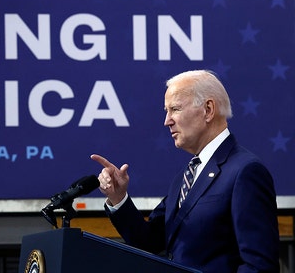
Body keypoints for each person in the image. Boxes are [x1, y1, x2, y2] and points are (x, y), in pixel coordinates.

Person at [91, 70, 279, 272]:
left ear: (208, 109)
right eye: (166, 111)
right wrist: (118, 198)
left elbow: (259, 266)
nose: (167, 121)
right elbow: (150, 241)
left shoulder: (245, 172)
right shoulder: (186, 176)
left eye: (175, 109)